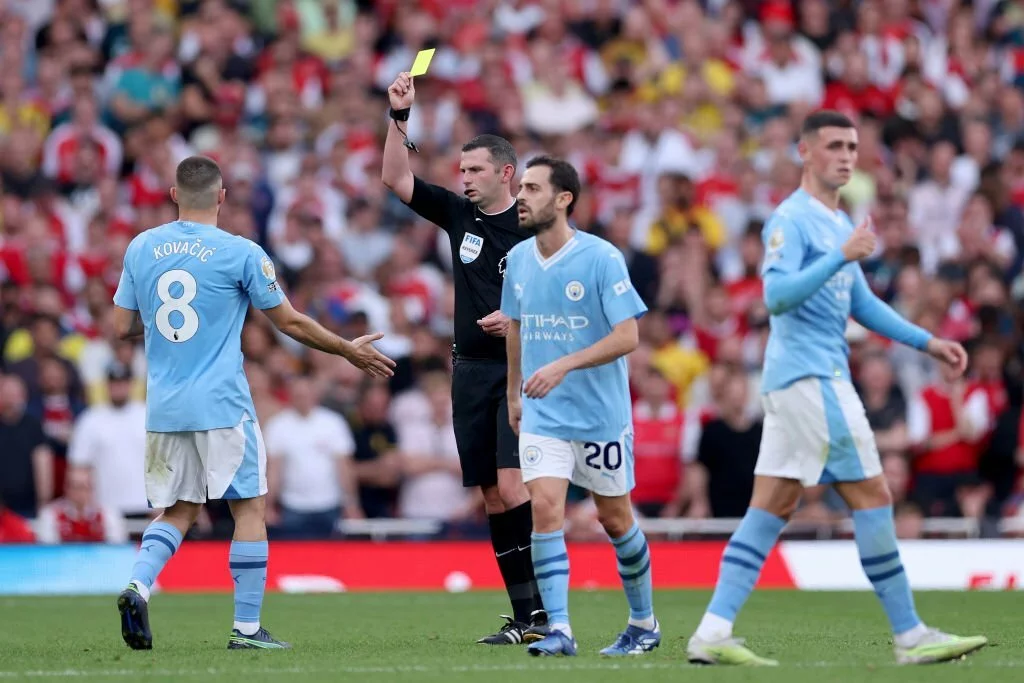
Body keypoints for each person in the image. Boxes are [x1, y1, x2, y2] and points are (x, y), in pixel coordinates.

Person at [685, 111, 988, 666]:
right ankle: (911, 635)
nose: (847, 155)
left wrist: (928, 342)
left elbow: (861, 303)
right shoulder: (792, 219)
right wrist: (840, 255)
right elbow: (775, 297)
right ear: (804, 151)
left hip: (797, 382)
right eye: (833, 146)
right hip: (811, 380)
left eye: (852, 146)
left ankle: (711, 632)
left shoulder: (840, 219)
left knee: (770, 508)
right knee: (873, 495)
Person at [111, 155, 395, 651]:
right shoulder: (241, 252)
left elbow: (121, 327)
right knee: (249, 507)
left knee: (179, 509)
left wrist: (157, 324)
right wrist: (347, 348)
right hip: (223, 405)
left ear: (174, 195)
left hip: (165, 407)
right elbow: (290, 323)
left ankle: (138, 584)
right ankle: (245, 629)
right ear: (222, 197)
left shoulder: (141, 247)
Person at [381, 72, 543, 644]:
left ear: (506, 174)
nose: (465, 179)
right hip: (469, 371)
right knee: (493, 495)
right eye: (462, 171)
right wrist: (400, 118)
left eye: (475, 170)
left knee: (513, 482)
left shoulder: (537, 230)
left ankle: (546, 610)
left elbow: (569, 303)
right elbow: (395, 178)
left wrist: (520, 320)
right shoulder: (459, 216)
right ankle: (525, 615)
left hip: (519, 372)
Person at [501, 156, 657, 657]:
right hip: (543, 413)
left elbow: (629, 335)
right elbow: (516, 326)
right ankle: (560, 630)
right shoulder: (519, 259)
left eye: (532, 187)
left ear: (563, 198)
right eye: (520, 186)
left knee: (615, 520)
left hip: (599, 416)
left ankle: (643, 623)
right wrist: (513, 392)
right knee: (545, 511)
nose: (520, 195)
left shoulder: (601, 258)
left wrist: (565, 364)